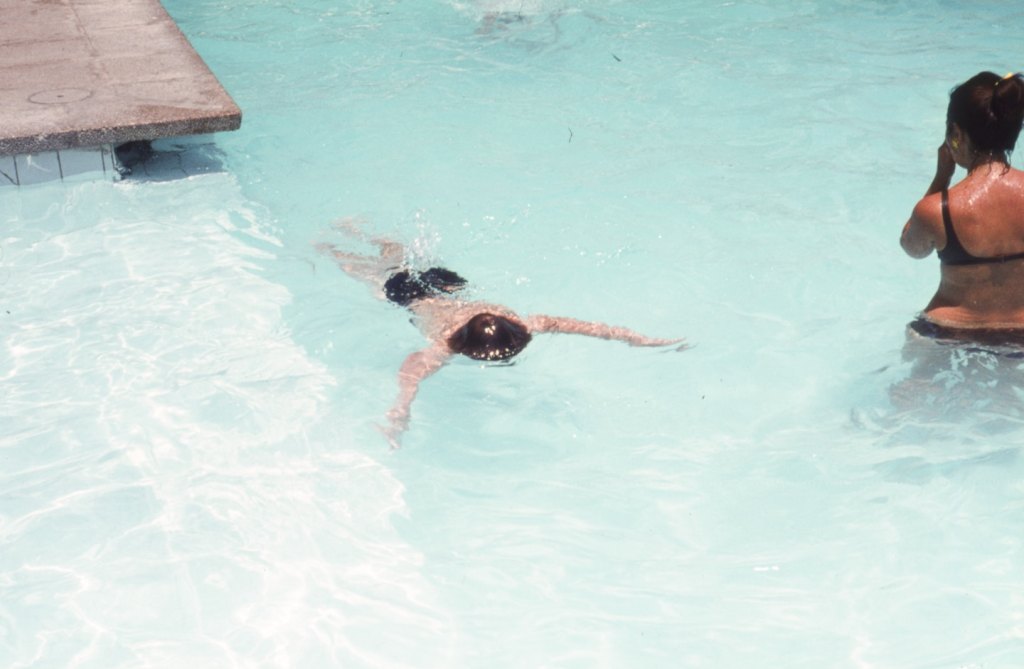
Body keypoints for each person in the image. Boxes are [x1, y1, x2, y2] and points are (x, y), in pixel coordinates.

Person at [318, 221, 687, 447]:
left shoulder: (502, 329)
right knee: (364, 268)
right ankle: (330, 243)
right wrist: (399, 411)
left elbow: (586, 328)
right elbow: (412, 369)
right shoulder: (451, 341)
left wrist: (639, 339)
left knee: (394, 257)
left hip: (438, 290)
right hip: (424, 289)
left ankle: (356, 231)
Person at [900, 71, 1024, 344]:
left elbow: (912, 248)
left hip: (947, 333)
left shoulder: (937, 209)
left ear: (955, 133)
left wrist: (941, 178)